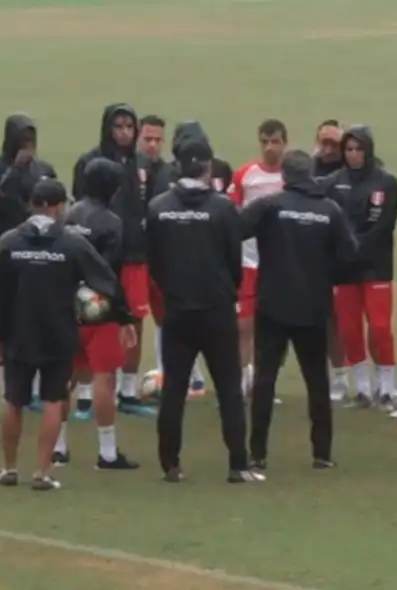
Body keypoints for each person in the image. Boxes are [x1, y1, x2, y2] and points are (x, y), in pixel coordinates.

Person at [0, 178, 127, 491]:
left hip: (19, 334)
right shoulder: (71, 243)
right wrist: (117, 313)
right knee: (52, 399)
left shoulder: (9, 241)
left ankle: (8, 469)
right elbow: (105, 280)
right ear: (57, 206)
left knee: (13, 401)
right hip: (58, 333)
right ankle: (41, 473)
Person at [147, 137, 262, 484]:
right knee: (229, 388)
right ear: (207, 167)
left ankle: (170, 464)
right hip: (216, 309)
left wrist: (174, 288)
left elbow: (156, 262)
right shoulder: (223, 208)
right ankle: (238, 465)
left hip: (178, 309)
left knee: (174, 390)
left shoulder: (158, 207)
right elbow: (234, 260)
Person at [242, 150, 357, 469]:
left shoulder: (269, 206)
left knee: (265, 379)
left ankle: (257, 454)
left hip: (273, 304)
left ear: (285, 177)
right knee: (316, 381)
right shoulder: (329, 209)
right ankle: (322, 454)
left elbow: (235, 230)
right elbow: (349, 254)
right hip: (313, 306)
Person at [72, 104, 155, 417]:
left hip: (134, 256)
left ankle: (128, 391)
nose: (124, 132)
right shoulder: (89, 162)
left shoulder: (143, 163)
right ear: (107, 128)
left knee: (133, 320)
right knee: (88, 319)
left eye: (129, 127)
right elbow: (80, 204)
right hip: (96, 258)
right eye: (118, 126)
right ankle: (83, 395)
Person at [57, 158, 140, 469]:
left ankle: (59, 447)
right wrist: (124, 316)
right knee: (104, 377)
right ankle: (107, 452)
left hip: (67, 307)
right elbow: (109, 273)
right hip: (99, 310)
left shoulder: (69, 215)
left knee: (64, 377)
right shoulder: (112, 222)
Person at [149, 120, 235, 399]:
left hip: (185, 274)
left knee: (170, 325)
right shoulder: (167, 176)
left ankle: (183, 378)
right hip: (207, 276)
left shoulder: (174, 175)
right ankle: (191, 378)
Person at [0, 113, 58, 405]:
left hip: (43, 256)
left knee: (39, 319)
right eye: (22, 138)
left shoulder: (45, 169)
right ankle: (7, 388)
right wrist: (13, 171)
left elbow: (56, 203)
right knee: (1, 323)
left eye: (31, 138)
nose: (28, 144)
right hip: (6, 257)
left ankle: (35, 388)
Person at [324, 126, 397, 409]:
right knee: (349, 328)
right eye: (349, 149)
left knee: (380, 327)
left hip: (376, 265)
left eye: (359, 149)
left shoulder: (386, 182)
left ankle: (387, 388)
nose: (354, 154)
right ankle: (364, 390)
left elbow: (383, 225)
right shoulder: (334, 181)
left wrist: (354, 247)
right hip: (343, 267)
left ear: (369, 150)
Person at [228, 119, 288, 402]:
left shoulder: (292, 176)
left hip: (281, 262)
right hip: (248, 261)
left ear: (284, 143)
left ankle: (265, 384)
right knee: (244, 325)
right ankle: (244, 381)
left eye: (275, 141)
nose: (270, 147)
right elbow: (232, 213)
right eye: (265, 141)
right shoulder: (245, 174)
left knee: (274, 327)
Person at [310, 119, 349, 401]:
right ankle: (322, 377)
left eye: (333, 143)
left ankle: (342, 378)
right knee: (316, 321)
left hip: (342, 257)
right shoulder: (309, 170)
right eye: (323, 142)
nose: (327, 149)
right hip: (312, 256)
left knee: (339, 321)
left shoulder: (352, 171)